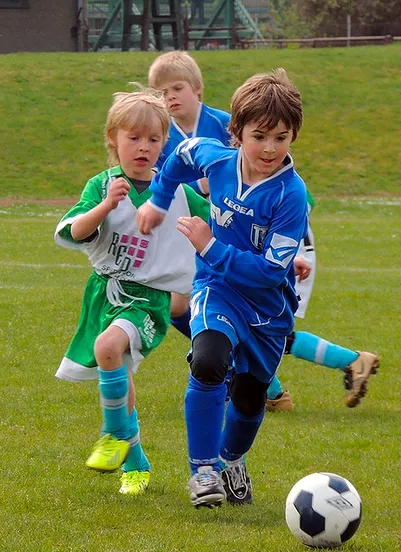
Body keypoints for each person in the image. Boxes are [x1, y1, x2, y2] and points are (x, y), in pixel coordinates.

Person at [137, 68, 309, 508]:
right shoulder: (214, 157)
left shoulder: (291, 195)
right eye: (259, 136)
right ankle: (203, 472)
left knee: (250, 400)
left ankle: (231, 460)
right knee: (209, 361)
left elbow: (270, 272)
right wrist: (158, 200)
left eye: (281, 138)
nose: (269, 149)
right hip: (217, 289)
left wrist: (210, 245)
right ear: (237, 132)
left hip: (268, 309)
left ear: (293, 136)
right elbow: (178, 159)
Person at [54, 88, 210, 496]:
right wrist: (106, 206)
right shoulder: (101, 185)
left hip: (148, 299)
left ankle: (114, 436)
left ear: (164, 144)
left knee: (108, 347)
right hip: (104, 294)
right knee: (119, 373)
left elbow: (222, 223)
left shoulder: (176, 193)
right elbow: (75, 231)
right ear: (113, 139)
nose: (144, 147)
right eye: (134, 137)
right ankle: (137, 463)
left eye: (154, 139)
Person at [266, 194, 380, 412]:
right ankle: (271, 395)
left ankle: (272, 394)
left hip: (283, 257)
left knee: (258, 330)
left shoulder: (272, 180)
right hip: (282, 253)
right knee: (252, 329)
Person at [147, 50, 232, 341]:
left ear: (197, 89)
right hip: (183, 225)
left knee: (233, 302)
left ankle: (232, 355)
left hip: (227, 223)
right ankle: (214, 353)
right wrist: (200, 186)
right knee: (177, 306)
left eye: (177, 88)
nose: (170, 96)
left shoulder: (225, 125)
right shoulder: (159, 135)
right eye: (162, 93)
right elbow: (162, 184)